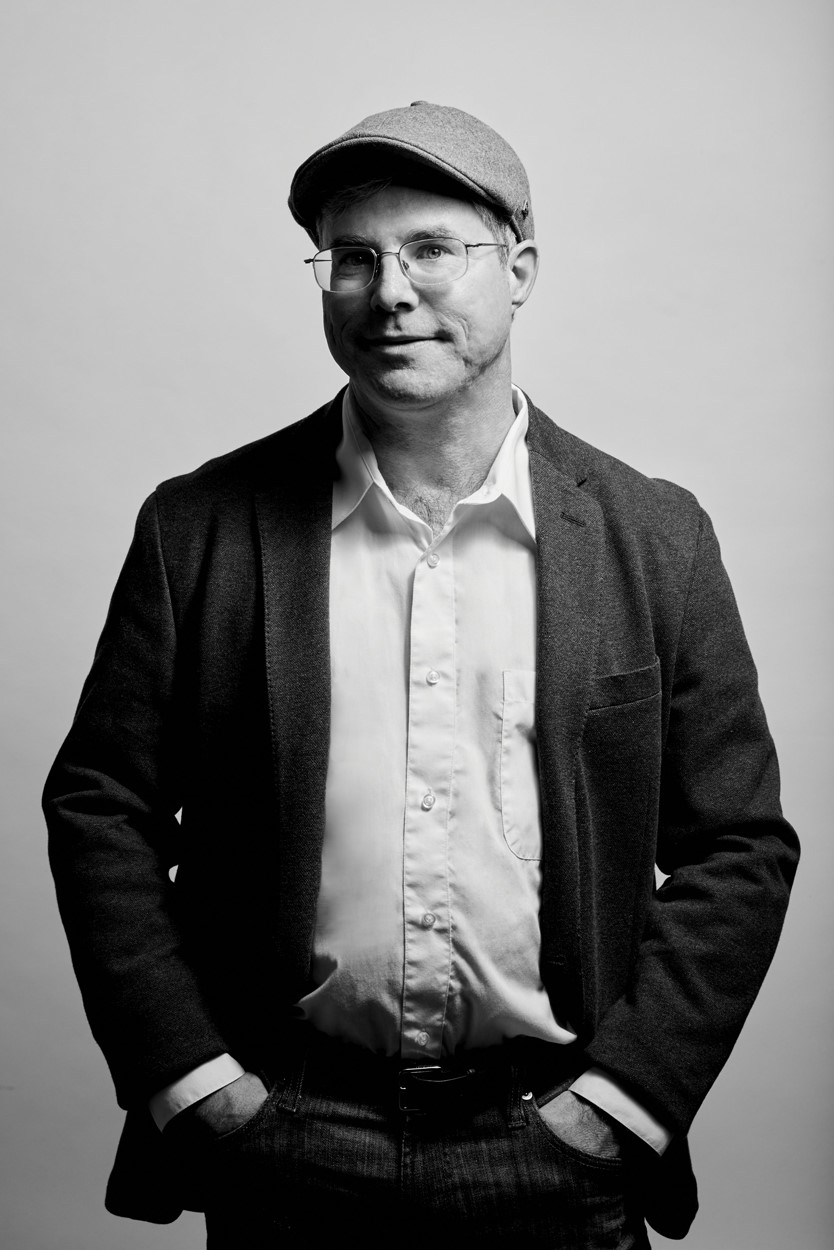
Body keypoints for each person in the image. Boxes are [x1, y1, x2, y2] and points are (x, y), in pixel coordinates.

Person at [43, 101, 799, 1249]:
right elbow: (102, 802)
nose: (390, 291)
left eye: (433, 248)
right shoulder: (198, 527)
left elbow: (738, 843)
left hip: (555, 1140)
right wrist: (190, 1077)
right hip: (287, 1133)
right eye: (353, 257)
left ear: (520, 269)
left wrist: (626, 1098)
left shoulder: (656, 536)